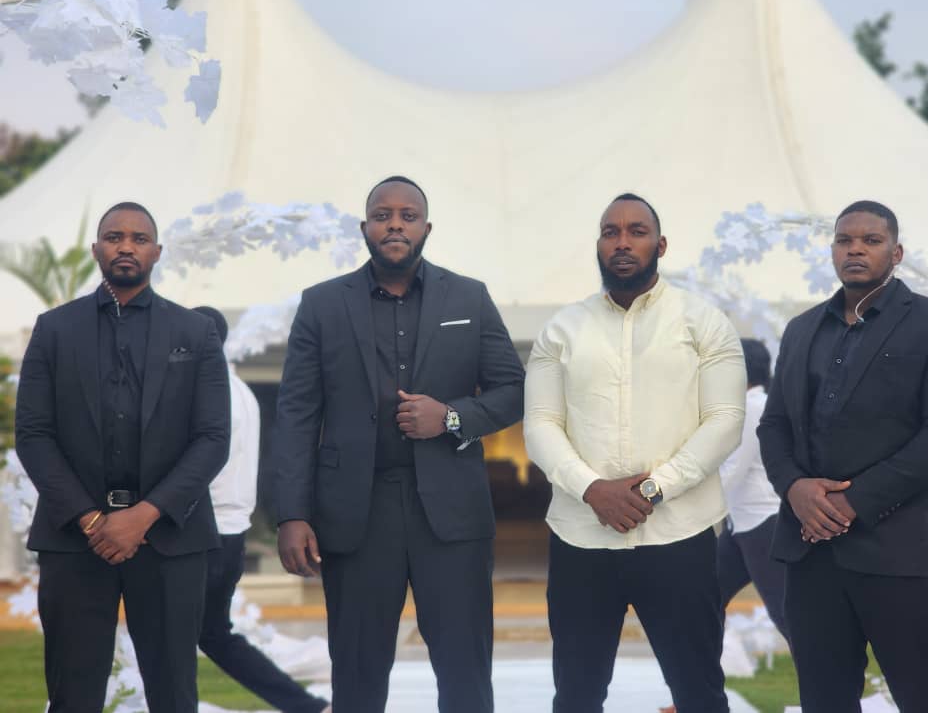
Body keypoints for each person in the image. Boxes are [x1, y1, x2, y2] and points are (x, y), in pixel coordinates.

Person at [274, 176, 525, 713]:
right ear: (363, 227)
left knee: (465, 672)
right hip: (355, 515)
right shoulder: (321, 304)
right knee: (357, 675)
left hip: (452, 513)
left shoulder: (469, 296)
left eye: (407, 216)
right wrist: (291, 514)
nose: (394, 224)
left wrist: (451, 416)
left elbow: (514, 390)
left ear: (426, 228)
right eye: (382, 215)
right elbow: (296, 414)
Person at [524, 192, 746, 713]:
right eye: (611, 232)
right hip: (582, 538)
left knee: (698, 693)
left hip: (679, 536)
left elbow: (725, 422)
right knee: (576, 695)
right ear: (599, 245)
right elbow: (540, 425)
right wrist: (592, 490)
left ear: (660, 245)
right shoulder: (561, 330)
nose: (622, 242)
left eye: (636, 231)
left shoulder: (704, 322)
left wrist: (652, 489)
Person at [757, 200, 928, 713]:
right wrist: (795, 489)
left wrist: (850, 503)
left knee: (923, 698)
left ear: (896, 253)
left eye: (871, 240)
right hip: (811, 554)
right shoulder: (801, 329)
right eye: (844, 240)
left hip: (901, 550)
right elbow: (774, 426)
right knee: (823, 700)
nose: (855, 249)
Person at [15, 202, 231, 712]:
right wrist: (92, 520)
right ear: (96, 250)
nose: (126, 247)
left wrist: (143, 517)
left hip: (170, 539)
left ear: (157, 252)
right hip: (75, 539)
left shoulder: (194, 333)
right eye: (114, 237)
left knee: (174, 694)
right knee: (72, 694)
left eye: (138, 238)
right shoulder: (54, 329)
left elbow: (212, 438)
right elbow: (34, 434)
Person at [192, 306, 331, 713]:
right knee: (215, 636)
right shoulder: (239, 389)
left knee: (176, 640)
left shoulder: (206, 392)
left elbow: (201, 467)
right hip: (229, 535)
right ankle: (307, 706)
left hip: (202, 535)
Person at [716, 338, 788, 641]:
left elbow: (733, 471)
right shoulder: (750, 406)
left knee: (785, 614)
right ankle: (705, 665)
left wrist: (681, 499)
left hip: (763, 524)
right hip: (740, 524)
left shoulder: (751, 408)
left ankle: (822, 672)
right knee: (705, 597)